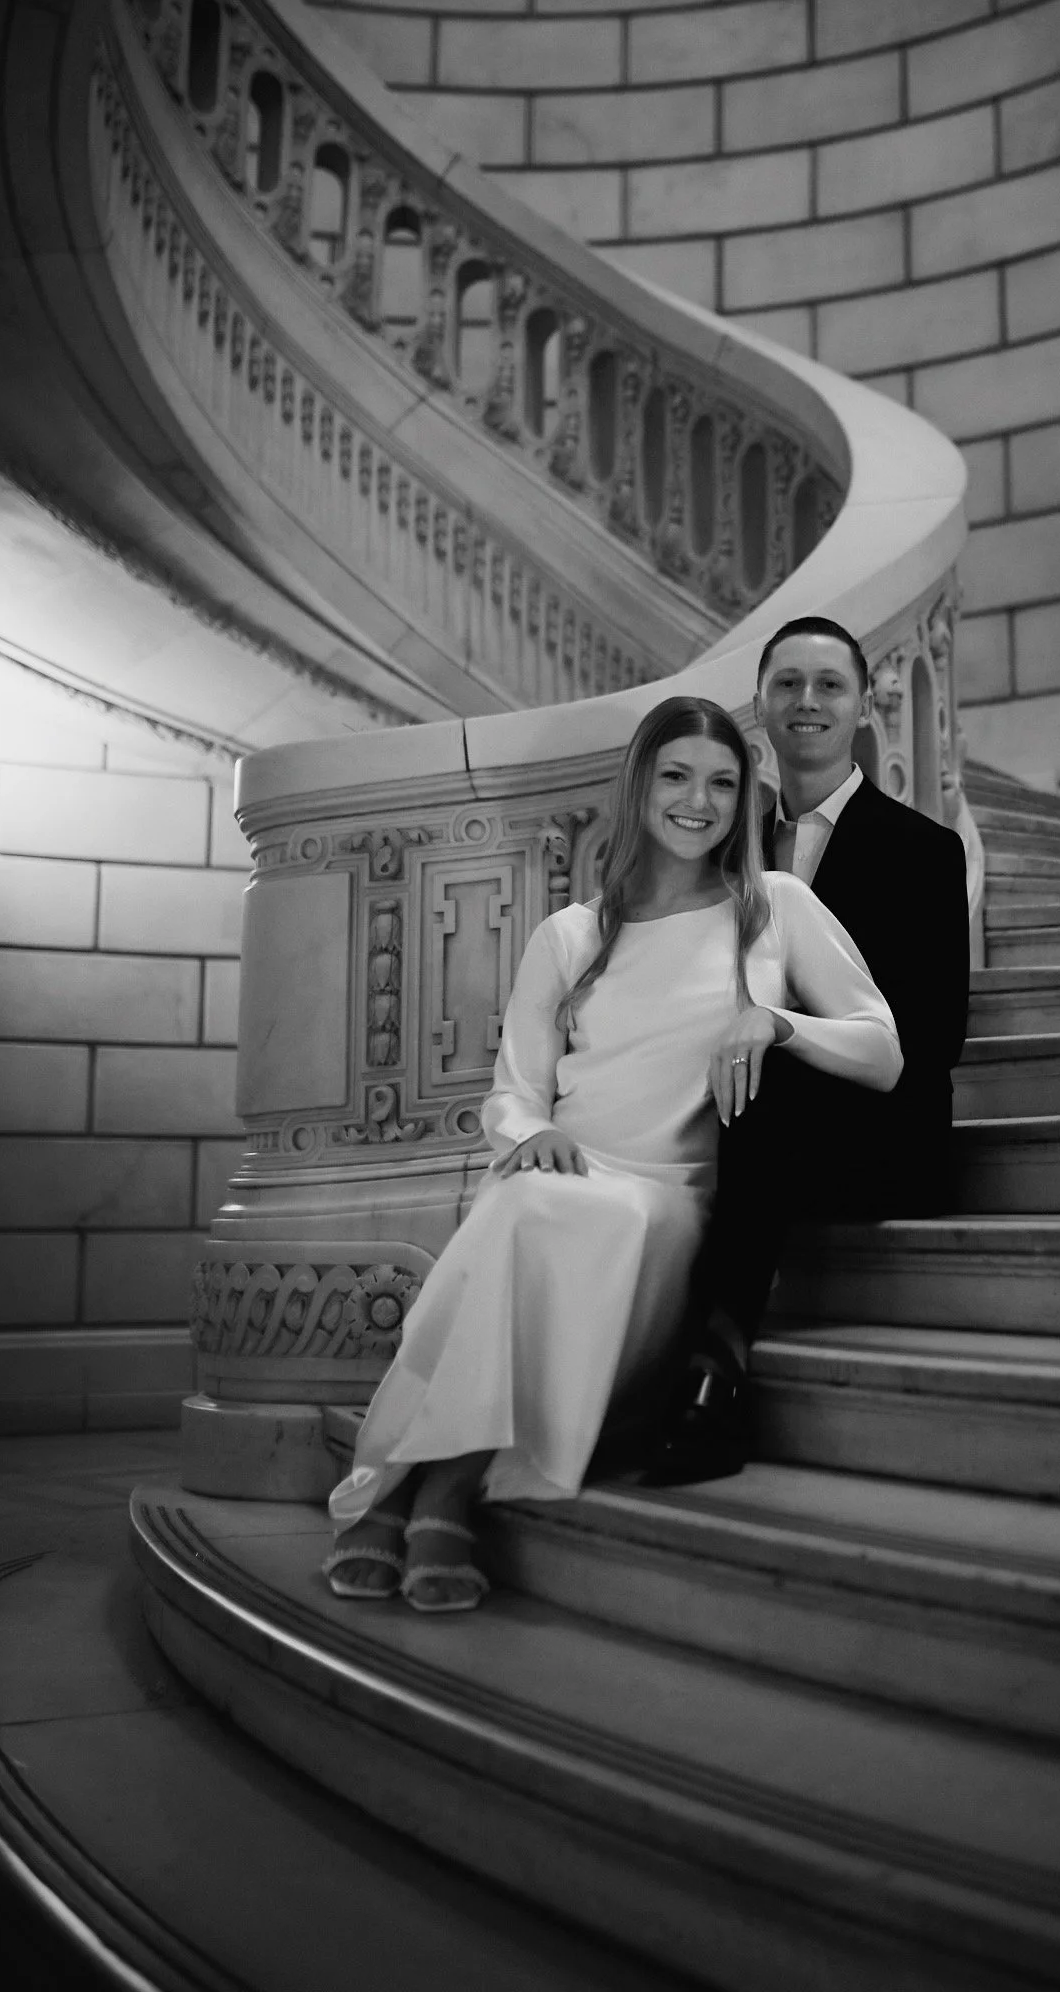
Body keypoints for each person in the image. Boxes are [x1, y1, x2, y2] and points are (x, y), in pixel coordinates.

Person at [322, 693, 902, 1611]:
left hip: (673, 1198)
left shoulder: (776, 909)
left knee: (557, 1215)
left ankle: (424, 1487)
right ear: (638, 788)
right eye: (675, 776)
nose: (698, 802)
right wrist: (533, 1132)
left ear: (742, 797)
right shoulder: (572, 934)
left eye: (721, 783)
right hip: (569, 1168)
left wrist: (776, 1020)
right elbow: (514, 1088)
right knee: (524, 1200)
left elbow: (883, 1048)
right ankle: (438, 1491)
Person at [646, 617, 970, 1486]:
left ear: (865, 704)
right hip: (736, 1105)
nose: (807, 702)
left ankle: (715, 1371)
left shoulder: (925, 852)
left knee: (767, 1092)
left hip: (879, 1133)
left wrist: (787, 1036)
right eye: (787, 684)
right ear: (760, 706)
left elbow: (937, 1040)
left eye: (829, 684)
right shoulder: (716, 842)